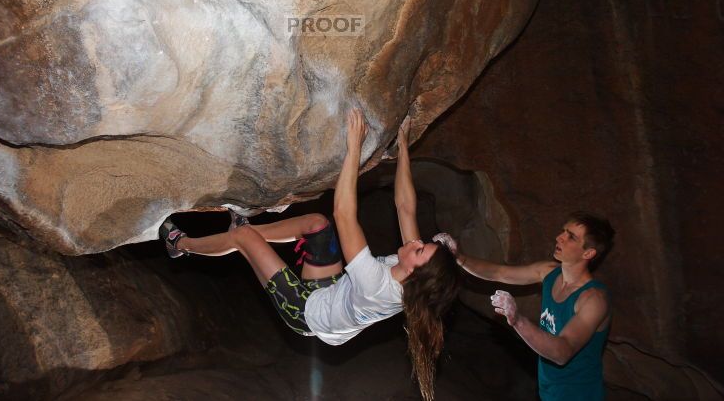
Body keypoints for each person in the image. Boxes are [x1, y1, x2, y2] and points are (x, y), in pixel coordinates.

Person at [158, 109, 460, 401]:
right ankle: (249, 232)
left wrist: (353, 146)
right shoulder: (411, 275)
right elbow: (406, 206)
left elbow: (344, 213)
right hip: (333, 294)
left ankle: (180, 244)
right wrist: (404, 143)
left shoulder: (376, 285)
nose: (416, 242)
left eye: (420, 249)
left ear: (413, 271)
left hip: (307, 315)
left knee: (242, 238)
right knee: (317, 225)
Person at [454, 212, 614, 400]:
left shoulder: (594, 299)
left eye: (570, 237)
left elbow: (562, 351)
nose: (559, 237)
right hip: (548, 393)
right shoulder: (549, 272)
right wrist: (457, 256)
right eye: (563, 231)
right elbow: (499, 273)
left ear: (588, 253)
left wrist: (517, 320)